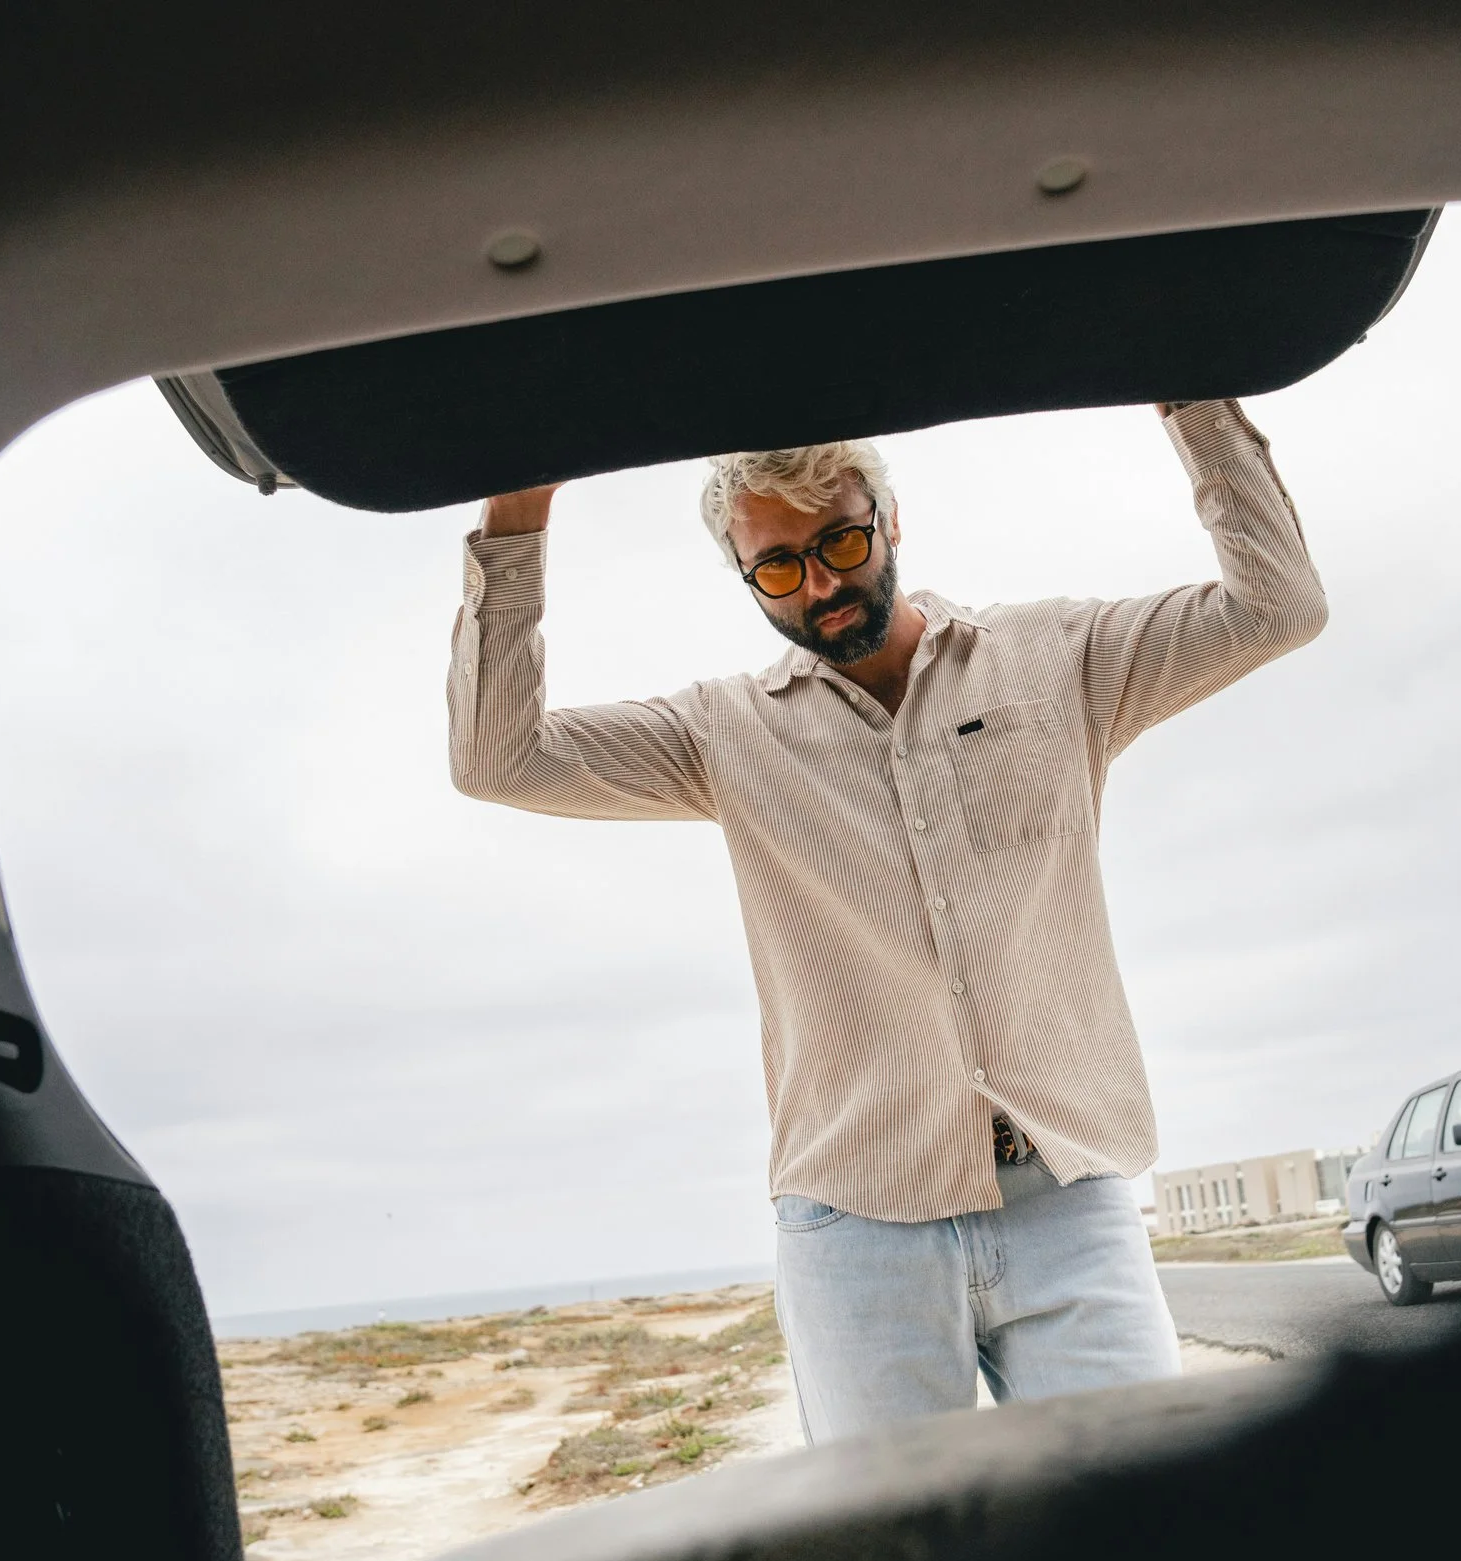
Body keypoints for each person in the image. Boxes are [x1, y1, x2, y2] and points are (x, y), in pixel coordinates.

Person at [449, 400, 1327, 1441]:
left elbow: (1279, 607)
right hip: (855, 1226)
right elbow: (498, 758)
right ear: (744, 574)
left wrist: (1190, 401)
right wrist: (516, 516)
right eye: (778, 566)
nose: (819, 584)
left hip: (1067, 1190)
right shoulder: (719, 733)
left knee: (1141, 1534)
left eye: (841, 542)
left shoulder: (1059, 659)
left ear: (891, 519)